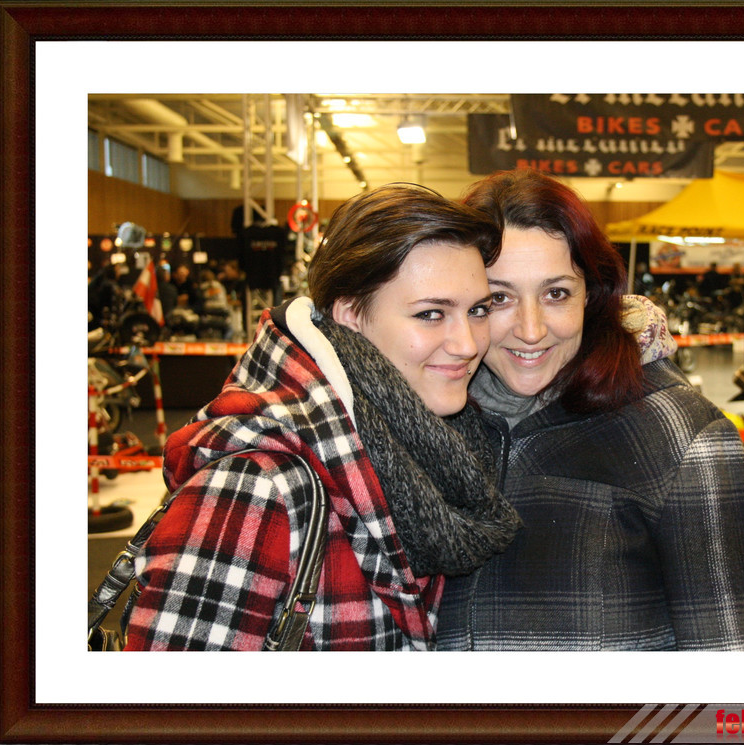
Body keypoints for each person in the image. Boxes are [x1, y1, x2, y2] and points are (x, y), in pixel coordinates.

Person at [122, 184, 521, 651]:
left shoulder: (431, 447)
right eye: (431, 314)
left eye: (478, 310)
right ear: (350, 315)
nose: (468, 343)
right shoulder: (255, 487)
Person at [437, 170, 744, 651]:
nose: (531, 329)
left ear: (592, 294)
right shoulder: (428, 419)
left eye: (556, 293)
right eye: (499, 297)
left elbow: (740, 659)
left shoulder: (679, 433)